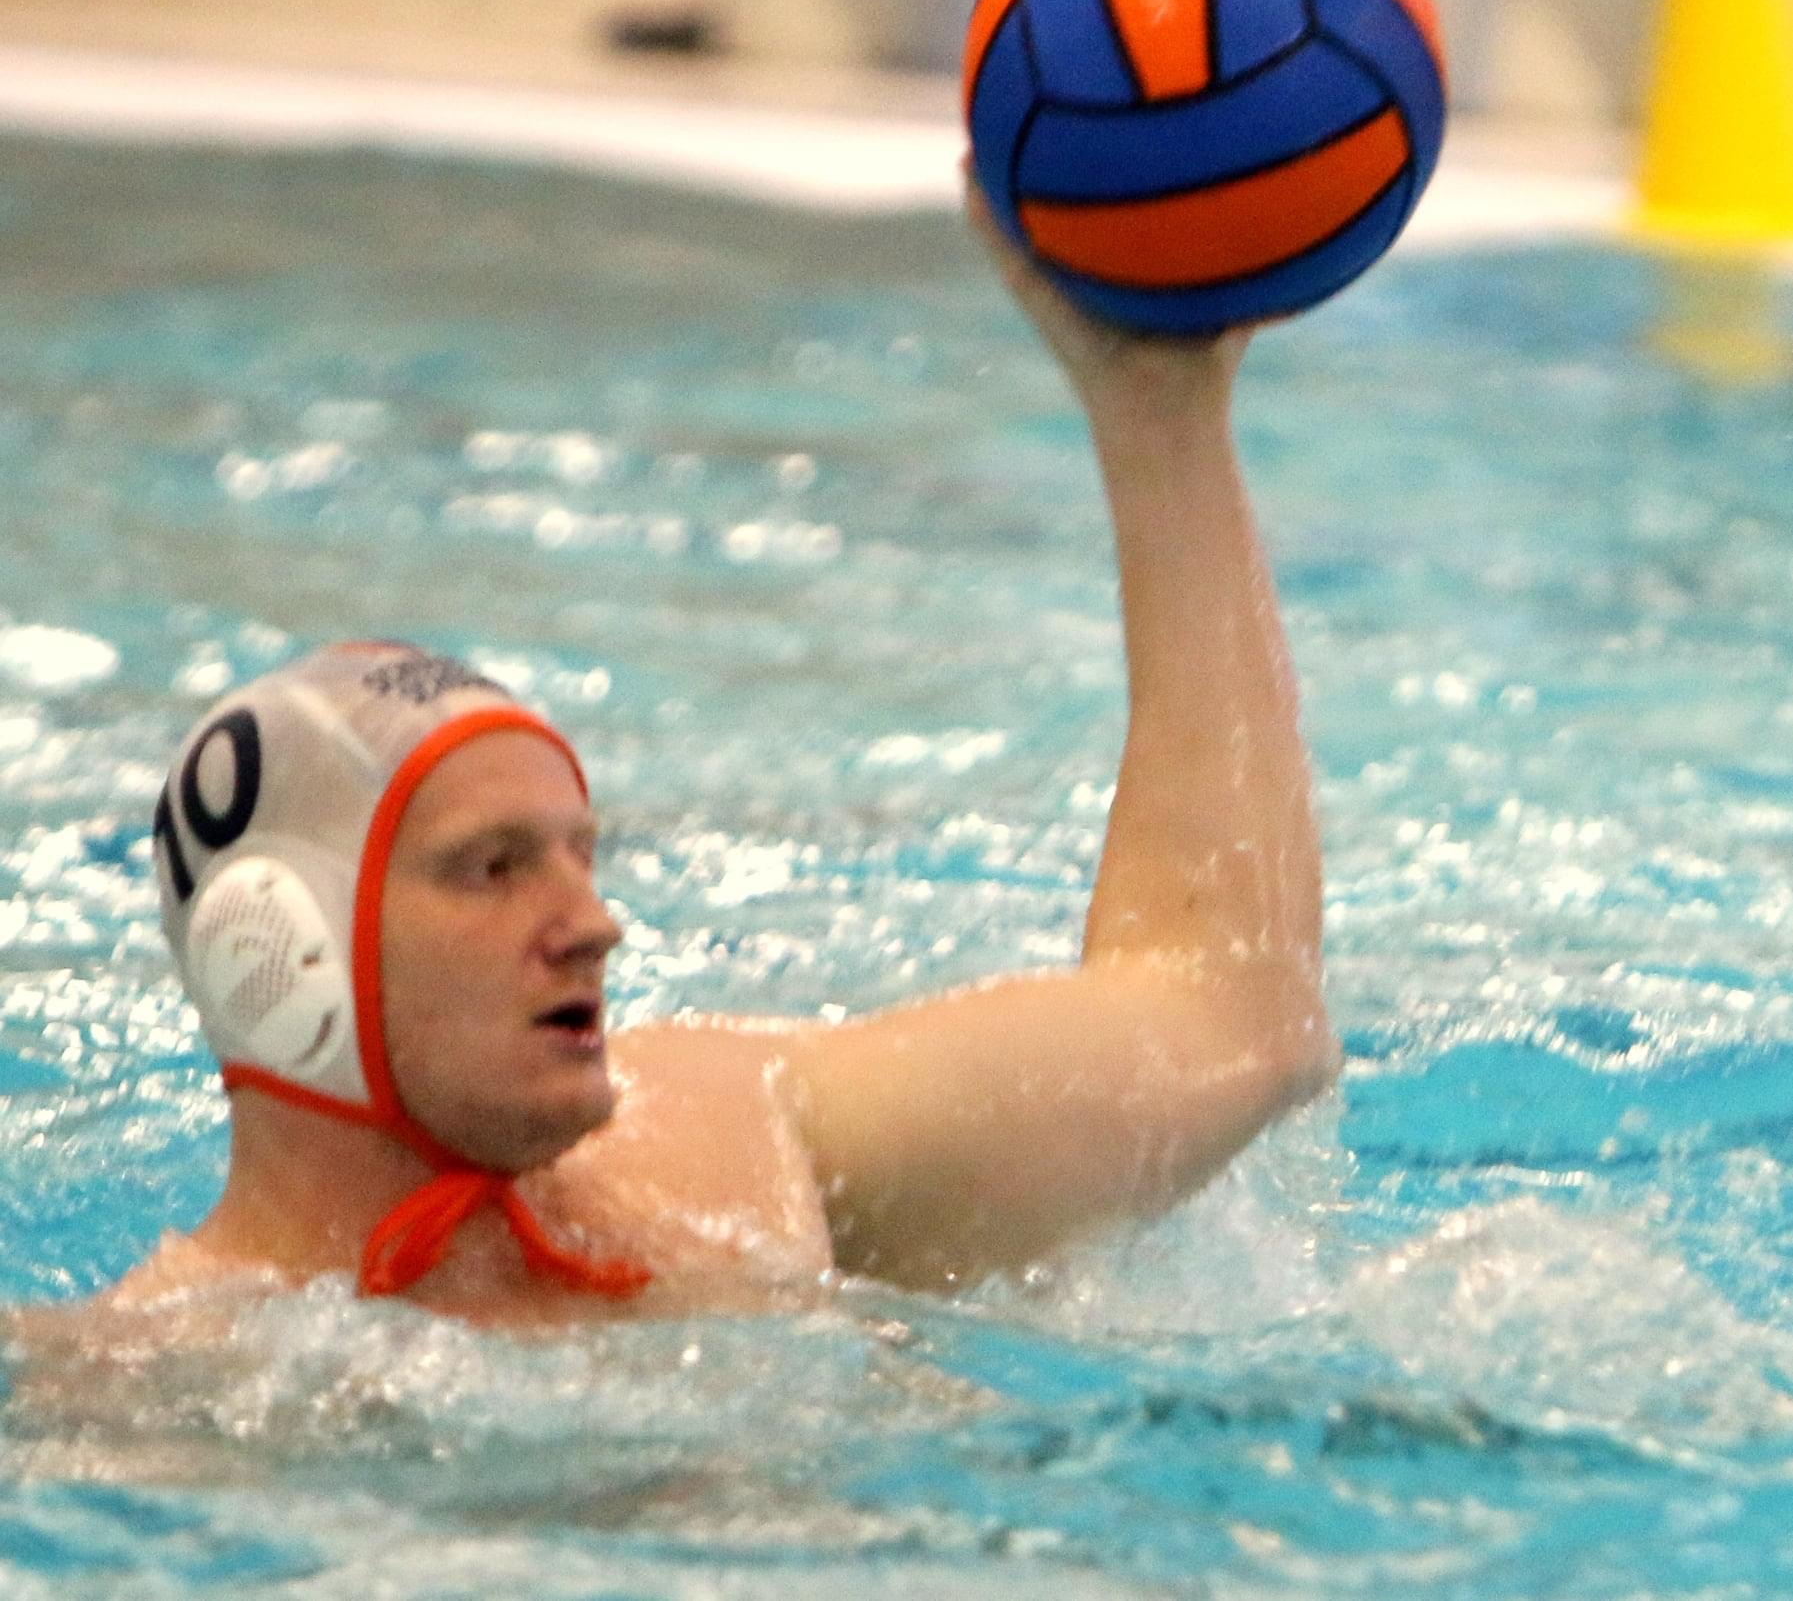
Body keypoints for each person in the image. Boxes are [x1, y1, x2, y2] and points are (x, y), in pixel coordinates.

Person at [102, 192, 1337, 1328]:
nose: (593, 926)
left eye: (581, 858)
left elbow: (1234, 1018)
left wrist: (1158, 410)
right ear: (284, 955)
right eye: (492, 868)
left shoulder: (727, 1146)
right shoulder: (150, 1386)